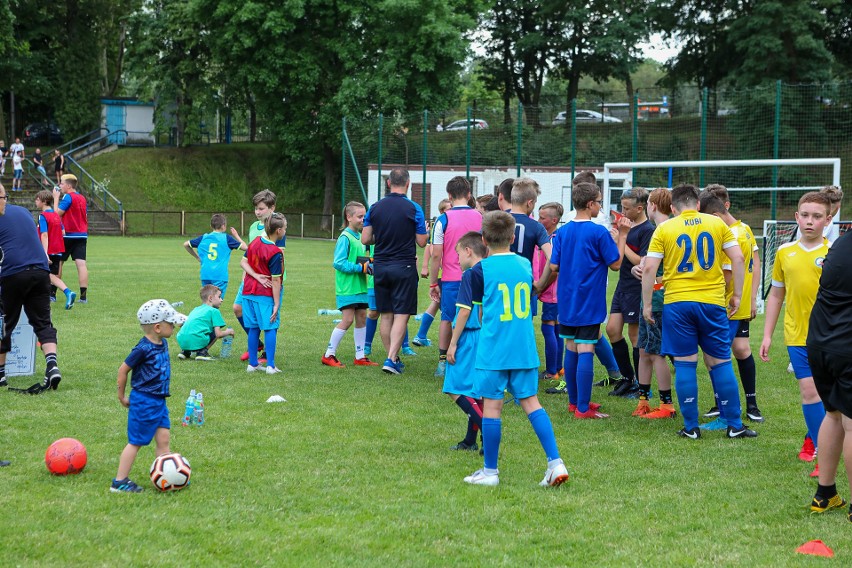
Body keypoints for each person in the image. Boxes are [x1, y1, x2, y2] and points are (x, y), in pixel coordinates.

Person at [453, 211, 568, 487]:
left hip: (494, 349)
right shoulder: (525, 264)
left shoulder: (477, 271)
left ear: (483, 239)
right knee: (532, 404)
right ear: (513, 237)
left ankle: (490, 472)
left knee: (492, 407)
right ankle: (555, 462)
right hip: (523, 348)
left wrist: (454, 343)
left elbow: (472, 312)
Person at [642, 184, 756, 440]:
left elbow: (649, 269)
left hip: (678, 303)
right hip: (712, 302)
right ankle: (735, 426)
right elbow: (738, 259)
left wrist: (647, 304)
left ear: (672, 208)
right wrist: (737, 294)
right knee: (720, 361)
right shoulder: (716, 224)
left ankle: (691, 427)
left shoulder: (665, 228)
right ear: (697, 204)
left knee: (685, 363)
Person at [760, 191, 832, 475]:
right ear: (796, 217)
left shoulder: (833, 253)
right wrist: (767, 335)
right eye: (805, 215)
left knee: (831, 398)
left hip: (833, 336)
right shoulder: (784, 252)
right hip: (797, 336)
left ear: (828, 220)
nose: (810, 221)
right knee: (809, 391)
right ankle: (820, 452)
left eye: (817, 217)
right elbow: (777, 295)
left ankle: (816, 437)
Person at [549, 182, 630, 419]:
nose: (600, 206)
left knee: (571, 346)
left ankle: (575, 403)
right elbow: (615, 264)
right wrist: (623, 235)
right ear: (590, 204)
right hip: (589, 300)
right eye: (599, 201)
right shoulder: (598, 232)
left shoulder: (563, 232)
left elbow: (554, 265)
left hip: (567, 299)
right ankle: (583, 409)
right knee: (585, 347)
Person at [698, 186, 763, 425]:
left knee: (716, 357)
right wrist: (752, 297)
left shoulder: (728, 236)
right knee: (739, 350)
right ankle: (744, 406)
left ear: (714, 217)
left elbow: (726, 276)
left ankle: (728, 412)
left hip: (727, 306)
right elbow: (754, 263)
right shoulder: (744, 228)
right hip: (741, 304)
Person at [111, 299, 187, 493]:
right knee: (136, 441)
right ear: (157, 327)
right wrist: (122, 396)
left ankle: (167, 475)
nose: (174, 326)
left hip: (159, 401)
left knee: (163, 439)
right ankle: (119, 481)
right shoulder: (142, 349)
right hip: (144, 401)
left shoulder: (162, 342)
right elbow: (123, 370)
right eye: (171, 324)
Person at [361, 168, 428, 375]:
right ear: (407, 183)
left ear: (389, 183)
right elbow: (422, 242)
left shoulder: (375, 208)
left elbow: (365, 239)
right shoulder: (414, 208)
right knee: (402, 314)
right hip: (404, 266)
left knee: (386, 314)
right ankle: (391, 359)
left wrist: (381, 236)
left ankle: (392, 358)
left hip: (380, 266)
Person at [806, 230, 852, 520]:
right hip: (846, 345)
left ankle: (825, 494)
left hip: (820, 343)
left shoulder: (841, 242)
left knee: (833, 415)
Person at [0, 183, 62, 391]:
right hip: (41, 271)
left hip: (14, 272)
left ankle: (0, 375)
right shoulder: (24, 211)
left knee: (5, 323)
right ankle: (52, 365)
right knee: (43, 322)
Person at [429, 178, 482, 377]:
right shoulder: (480, 216)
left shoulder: (442, 219)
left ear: (449, 196)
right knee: (478, 316)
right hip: (477, 275)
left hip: (451, 278)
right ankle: (475, 360)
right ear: (469, 195)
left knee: (447, 318)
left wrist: (434, 282)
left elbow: (436, 254)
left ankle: (443, 364)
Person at [630, 188, 675, 419]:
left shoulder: (666, 230)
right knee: (644, 350)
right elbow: (648, 264)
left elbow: (657, 269)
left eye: (648, 203)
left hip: (658, 301)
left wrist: (648, 271)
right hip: (648, 298)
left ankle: (666, 406)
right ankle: (643, 400)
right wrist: (637, 267)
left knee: (657, 353)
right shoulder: (659, 230)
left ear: (653, 205)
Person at [606, 188, 654, 398]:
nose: (622, 212)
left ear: (640, 208)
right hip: (622, 286)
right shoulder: (627, 226)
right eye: (621, 207)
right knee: (612, 330)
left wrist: (621, 241)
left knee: (635, 336)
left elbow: (641, 263)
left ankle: (641, 385)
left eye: (626, 208)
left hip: (637, 287)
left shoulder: (648, 230)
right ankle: (627, 378)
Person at [321, 201, 379, 367]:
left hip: (360, 287)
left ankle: (360, 356)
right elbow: (338, 263)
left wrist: (370, 263)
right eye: (360, 216)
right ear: (349, 217)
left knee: (362, 318)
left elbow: (359, 260)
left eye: (365, 217)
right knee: (347, 320)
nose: (363, 220)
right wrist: (360, 267)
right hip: (347, 288)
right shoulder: (345, 237)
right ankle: (328, 354)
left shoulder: (361, 238)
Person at [445, 231, 487, 451]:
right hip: (482, 336)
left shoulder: (470, 274)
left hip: (468, 336)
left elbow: (463, 312)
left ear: (469, 251)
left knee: (454, 388)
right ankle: (470, 441)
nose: (457, 259)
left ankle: (488, 432)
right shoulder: (489, 270)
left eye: (459, 254)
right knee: (474, 390)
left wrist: (452, 343)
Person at [234, 189, 286, 362]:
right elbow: (249, 256)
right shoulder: (253, 227)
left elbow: (279, 256)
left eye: (261, 208)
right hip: (251, 278)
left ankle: (265, 355)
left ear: (272, 208)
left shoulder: (278, 226)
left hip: (269, 280)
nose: (257, 212)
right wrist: (246, 275)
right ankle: (256, 344)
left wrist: (274, 280)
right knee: (238, 308)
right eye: (256, 208)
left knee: (270, 317)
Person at [413, 198, 451, 348]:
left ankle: (421, 335)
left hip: (446, 273)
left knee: (436, 304)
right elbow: (430, 247)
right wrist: (424, 266)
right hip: (445, 274)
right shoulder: (441, 224)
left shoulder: (450, 223)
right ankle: (423, 336)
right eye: (449, 208)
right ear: (442, 211)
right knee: (444, 308)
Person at [183, 213, 247, 301]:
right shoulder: (227, 238)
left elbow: (186, 244)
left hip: (205, 274)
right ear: (223, 226)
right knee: (216, 302)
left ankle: (206, 314)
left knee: (207, 301)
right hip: (219, 276)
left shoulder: (204, 238)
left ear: (211, 226)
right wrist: (236, 235)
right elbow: (246, 248)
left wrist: (197, 257)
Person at [534, 202, 563, 382]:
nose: (538, 220)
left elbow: (553, 269)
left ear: (553, 220)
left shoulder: (551, 239)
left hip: (552, 292)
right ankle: (558, 368)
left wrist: (541, 287)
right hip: (558, 292)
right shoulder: (555, 236)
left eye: (542, 218)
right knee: (557, 329)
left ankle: (552, 370)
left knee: (548, 327)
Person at [35, 189, 76, 309]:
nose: (35, 202)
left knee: (44, 275)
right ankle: (46, 297)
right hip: (58, 251)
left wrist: (45, 253)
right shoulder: (56, 216)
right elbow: (63, 232)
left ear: (43, 201)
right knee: (48, 276)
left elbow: (44, 234)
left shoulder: (43, 216)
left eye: (37, 199)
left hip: (47, 251)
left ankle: (67, 291)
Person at [53, 174, 89, 303]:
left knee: (59, 262)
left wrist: (56, 199)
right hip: (81, 235)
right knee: (81, 265)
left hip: (67, 235)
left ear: (68, 185)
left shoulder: (68, 197)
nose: (60, 186)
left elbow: (56, 215)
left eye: (61, 183)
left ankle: (52, 294)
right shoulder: (82, 198)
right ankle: (83, 297)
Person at [176, 284, 234, 360]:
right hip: (197, 339)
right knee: (214, 330)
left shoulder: (196, 309)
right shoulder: (214, 311)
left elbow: (181, 324)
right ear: (210, 298)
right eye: (219, 297)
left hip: (181, 340)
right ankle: (202, 352)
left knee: (193, 329)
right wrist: (228, 332)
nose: (221, 300)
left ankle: (185, 352)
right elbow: (218, 334)